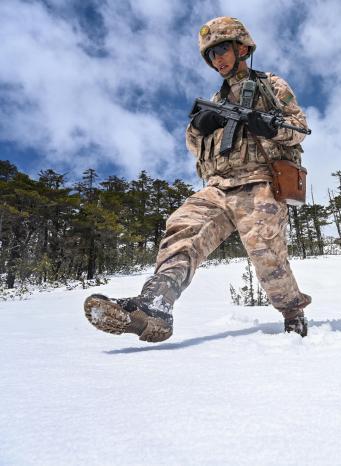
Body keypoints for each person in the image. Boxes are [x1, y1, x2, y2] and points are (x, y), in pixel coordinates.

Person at [83, 16, 311, 341]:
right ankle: (155, 304)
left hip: (260, 181)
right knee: (183, 228)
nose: (217, 59)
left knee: (265, 251)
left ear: (242, 48)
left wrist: (271, 127)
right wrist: (198, 126)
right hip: (219, 186)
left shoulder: (270, 85)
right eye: (211, 54)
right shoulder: (216, 101)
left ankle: (293, 314)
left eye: (221, 50)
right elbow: (195, 147)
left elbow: (299, 127)